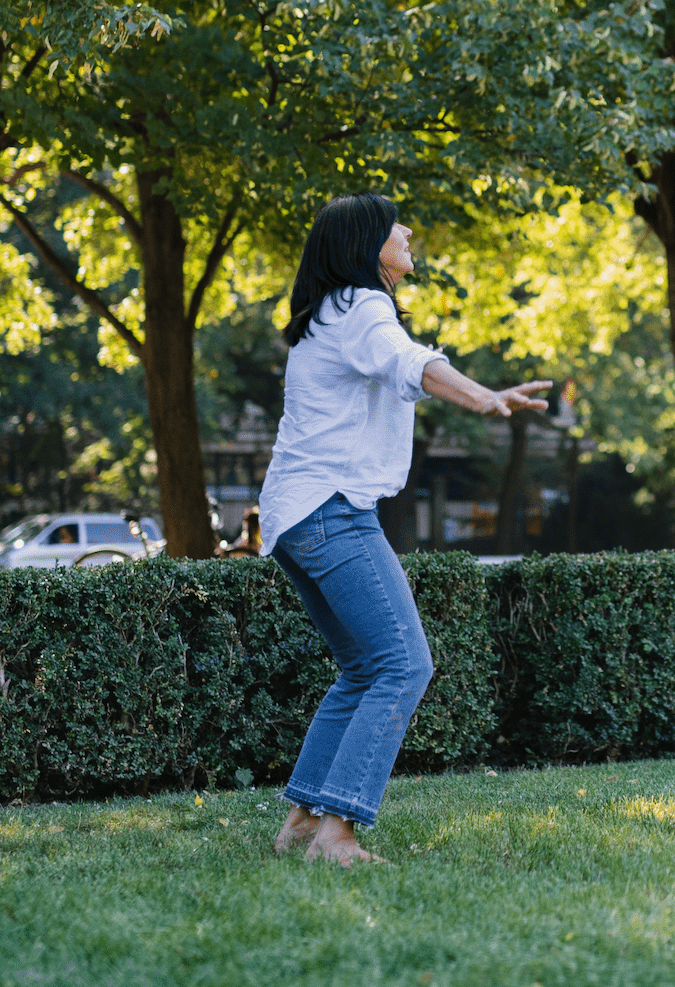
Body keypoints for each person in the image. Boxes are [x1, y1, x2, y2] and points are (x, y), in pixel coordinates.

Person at [260, 193, 551, 866]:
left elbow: (401, 361)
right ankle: (336, 835)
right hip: (331, 509)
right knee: (402, 663)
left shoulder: (331, 312)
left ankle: (304, 821)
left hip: (297, 514)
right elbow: (407, 362)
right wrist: (485, 396)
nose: (410, 229)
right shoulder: (362, 305)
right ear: (366, 243)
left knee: (363, 668)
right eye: (396, 223)